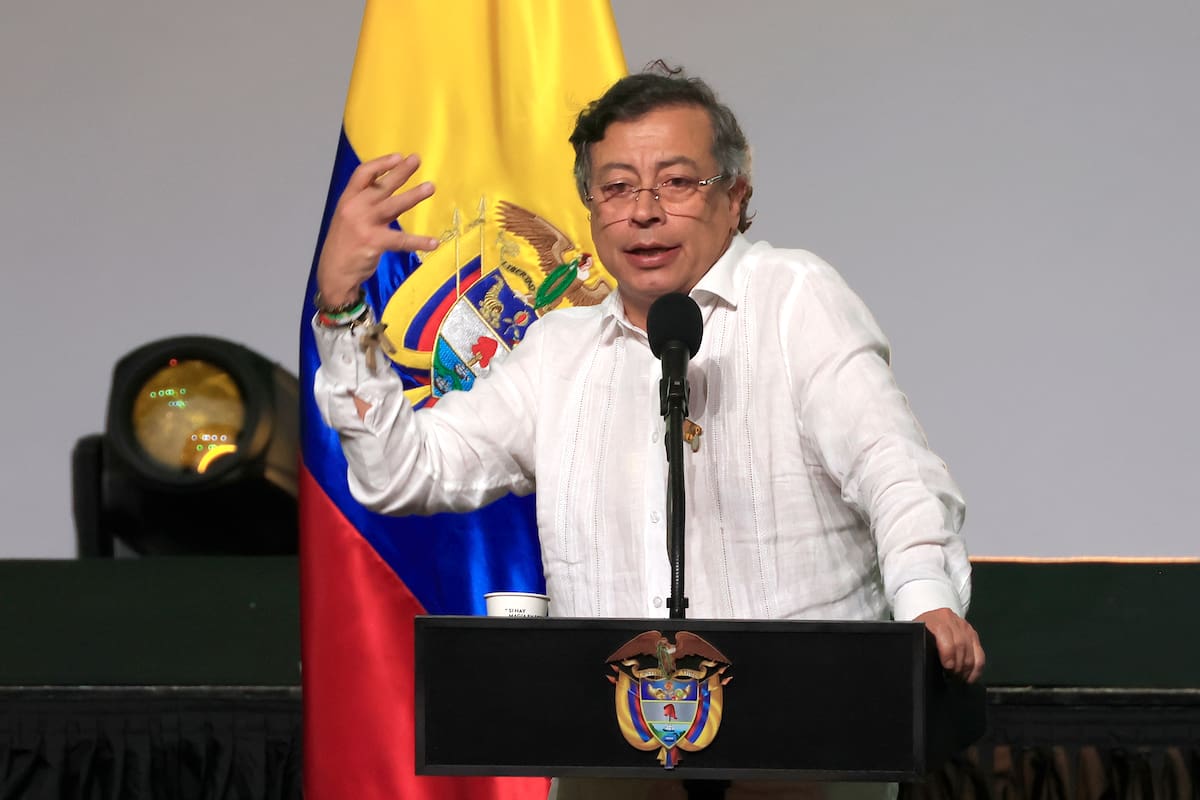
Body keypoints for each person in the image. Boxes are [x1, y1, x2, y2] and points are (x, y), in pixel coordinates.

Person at [311, 67, 984, 800]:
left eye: (677, 183)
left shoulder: (795, 299)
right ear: (591, 206)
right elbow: (401, 473)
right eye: (618, 186)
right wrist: (344, 307)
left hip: (808, 750)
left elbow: (893, 466)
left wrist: (924, 599)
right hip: (611, 757)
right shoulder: (559, 352)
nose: (644, 212)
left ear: (736, 198)